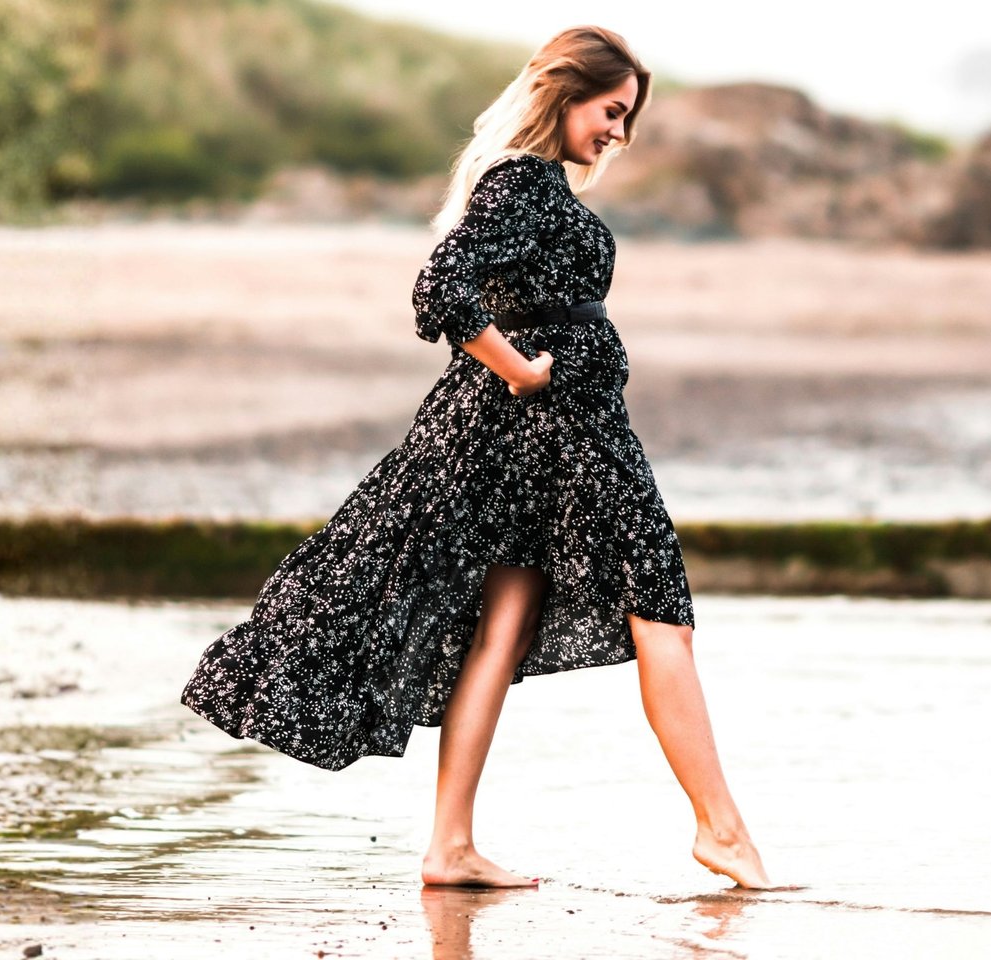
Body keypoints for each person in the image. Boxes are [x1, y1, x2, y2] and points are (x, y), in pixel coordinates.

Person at [180, 26, 777, 891]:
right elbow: (440, 290)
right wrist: (524, 369)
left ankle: (450, 847)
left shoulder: (529, 187)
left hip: (550, 440)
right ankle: (721, 831)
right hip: (560, 435)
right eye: (612, 112)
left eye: (628, 119)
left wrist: (527, 368)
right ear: (564, 93)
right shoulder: (526, 183)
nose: (618, 133)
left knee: (504, 633)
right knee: (664, 614)